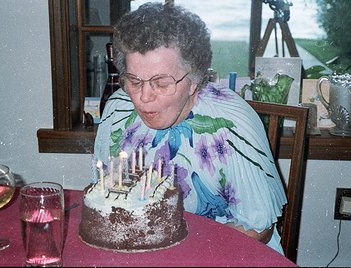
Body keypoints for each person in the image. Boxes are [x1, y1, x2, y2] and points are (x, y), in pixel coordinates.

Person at [93, 2, 286, 255]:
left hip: (222, 253)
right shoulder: (118, 109)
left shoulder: (232, 124)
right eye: (134, 80)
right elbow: (106, 196)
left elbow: (258, 228)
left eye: (161, 83)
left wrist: (177, 253)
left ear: (194, 79)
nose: (143, 97)